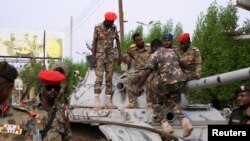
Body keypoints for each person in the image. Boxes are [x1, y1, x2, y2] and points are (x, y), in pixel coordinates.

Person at [134, 39, 193, 138]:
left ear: (153, 48)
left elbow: (148, 71)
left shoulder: (155, 54)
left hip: (164, 83)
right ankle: (185, 122)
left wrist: (138, 86)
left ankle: (165, 125)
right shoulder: (173, 51)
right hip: (178, 81)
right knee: (173, 103)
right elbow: (183, 64)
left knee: (157, 102)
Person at [92, 11, 122, 109]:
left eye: (113, 21)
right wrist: (93, 58)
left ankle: (108, 101)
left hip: (110, 56)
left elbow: (117, 41)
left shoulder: (114, 28)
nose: (112, 23)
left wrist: (119, 55)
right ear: (106, 20)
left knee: (109, 78)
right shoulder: (97, 27)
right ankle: (97, 100)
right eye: (111, 21)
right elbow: (94, 42)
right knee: (99, 77)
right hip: (100, 56)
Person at [122, 33, 152, 108]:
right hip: (138, 73)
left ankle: (149, 102)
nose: (141, 41)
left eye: (141, 39)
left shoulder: (149, 48)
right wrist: (126, 56)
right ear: (135, 42)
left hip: (148, 72)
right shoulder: (132, 49)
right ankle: (133, 103)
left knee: (149, 80)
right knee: (126, 80)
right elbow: (125, 53)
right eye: (138, 40)